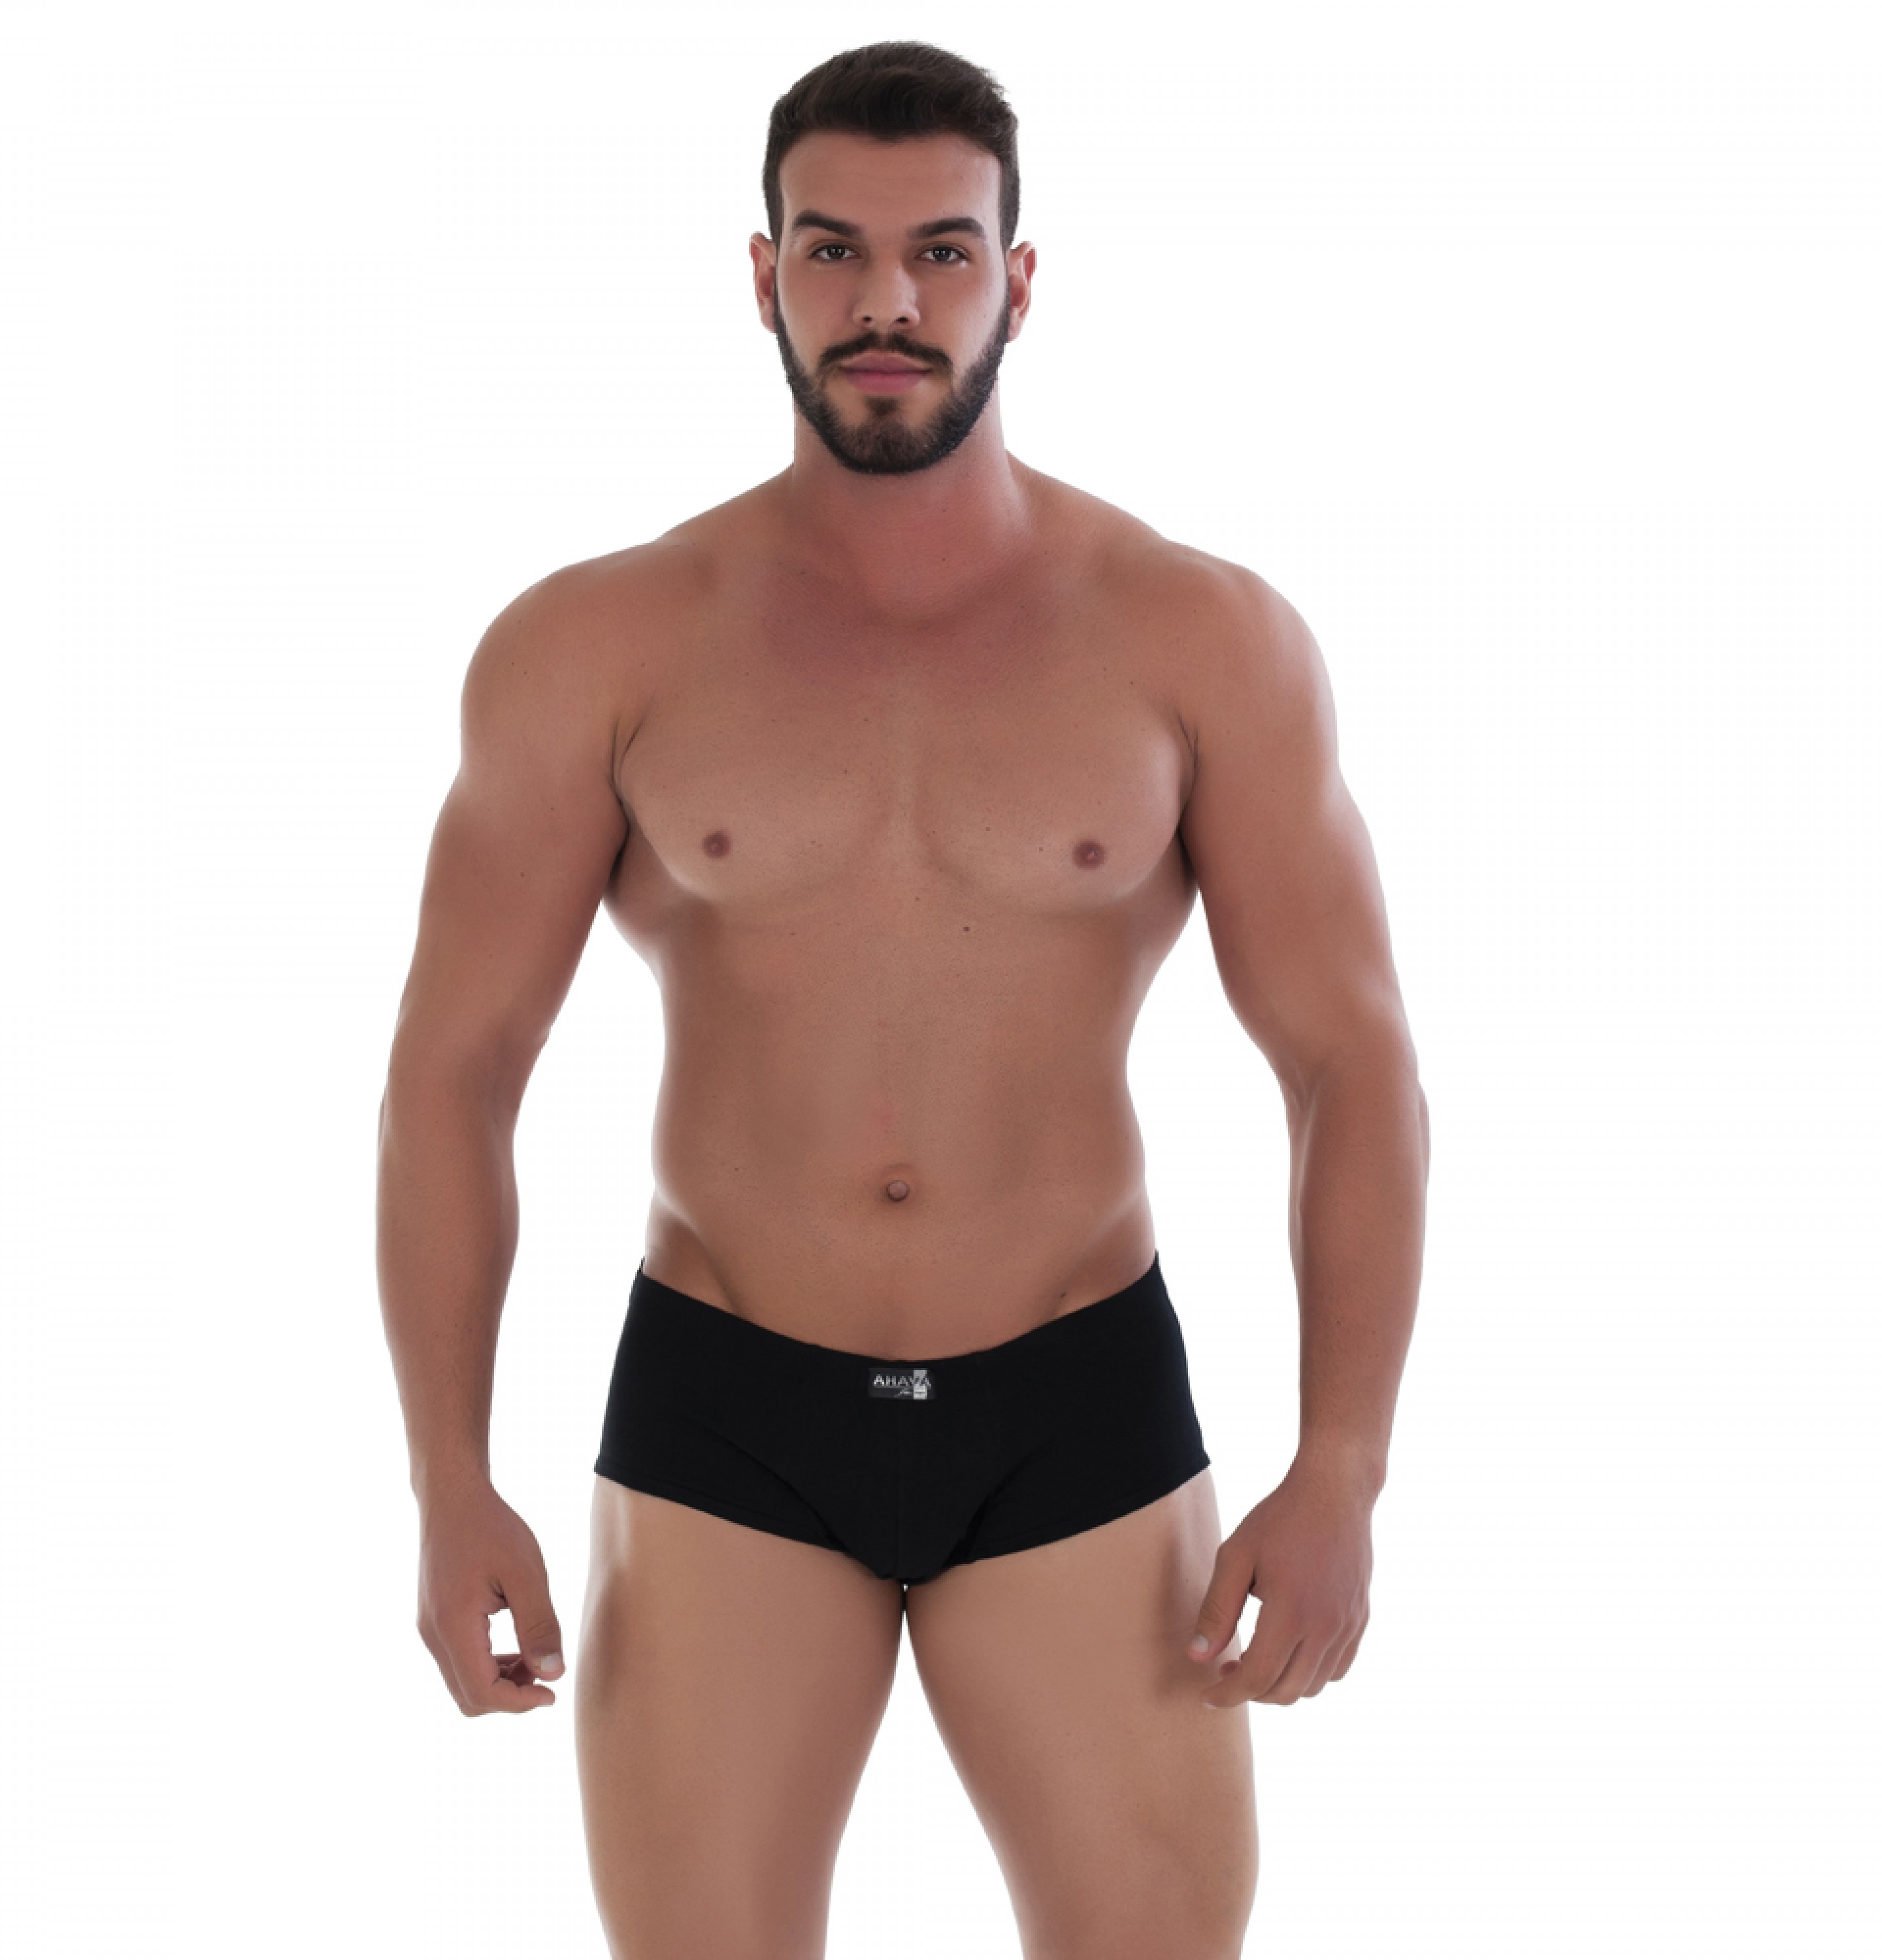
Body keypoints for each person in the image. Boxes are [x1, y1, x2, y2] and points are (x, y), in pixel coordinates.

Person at [376, 40, 1427, 1960]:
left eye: (941, 253)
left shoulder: (1200, 640)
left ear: (1017, 280)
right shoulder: (598, 644)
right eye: (834, 251)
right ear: (762, 274)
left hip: (1074, 1402)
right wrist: (449, 1480)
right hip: (729, 1410)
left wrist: (1343, 1465)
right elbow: (455, 1072)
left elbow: (1348, 1062)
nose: (887, 303)